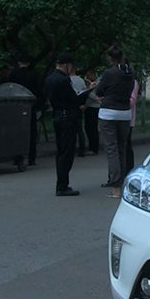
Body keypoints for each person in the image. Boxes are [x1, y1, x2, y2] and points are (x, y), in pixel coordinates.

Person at [43, 52, 91, 197]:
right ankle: (62, 185)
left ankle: (61, 183)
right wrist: (88, 90)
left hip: (57, 115)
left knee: (61, 151)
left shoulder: (50, 79)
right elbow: (75, 100)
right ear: (66, 65)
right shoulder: (63, 80)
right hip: (68, 117)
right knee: (67, 152)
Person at [95, 46, 134, 199]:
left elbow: (99, 91)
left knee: (112, 149)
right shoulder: (130, 73)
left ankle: (116, 187)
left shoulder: (109, 73)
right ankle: (123, 184)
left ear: (110, 58)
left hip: (108, 113)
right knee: (122, 148)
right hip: (125, 113)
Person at [6, 54, 43, 166]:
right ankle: (32, 157)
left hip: (16, 106)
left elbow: (9, 89)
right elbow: (38, 90)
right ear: (29, 63)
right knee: (31, 131)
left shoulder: (13, 74)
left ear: (19, 63)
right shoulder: (33, 74)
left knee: (16, 131)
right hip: (30, 105)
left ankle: (17, 157)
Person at [69, 71, 88, 157]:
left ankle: (71, 149)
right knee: (80, 129)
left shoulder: (67, 80)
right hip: (80, 106)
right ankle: (82, 149)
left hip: (71, 106)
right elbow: (85, 91)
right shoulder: (81, 80)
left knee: (71, 130)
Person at [83, 70, 100, 156]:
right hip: (88, 107)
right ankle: (92, 146)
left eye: (89, 75)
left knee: (92, 128)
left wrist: (88, 90)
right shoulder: (89, 83)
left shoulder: (97, 83)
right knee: (88, 127)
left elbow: (95, 97)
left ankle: (94, 148)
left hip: (94, 107)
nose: (88, 78)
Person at [125, 77, 139, 173]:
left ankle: (128, 169)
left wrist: (116, 100)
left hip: (128, 118)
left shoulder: (133, 82)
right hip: (116, 118)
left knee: (126, 144)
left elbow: (132, 101)